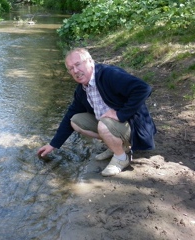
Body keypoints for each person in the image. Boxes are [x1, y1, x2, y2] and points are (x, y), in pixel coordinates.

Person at [37, 48, 157, 177]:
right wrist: (53, 144)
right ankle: (115, 147)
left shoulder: (110, 74)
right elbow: (69, 116)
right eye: (71, 68)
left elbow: (143, 89)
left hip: (133, 127)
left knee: (103, 125)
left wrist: (120, 114)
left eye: (78, 64)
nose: (75, 71)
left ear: (90, 61)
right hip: (111, 125)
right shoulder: (82, 90)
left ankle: (121, 158)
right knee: (75, 121)